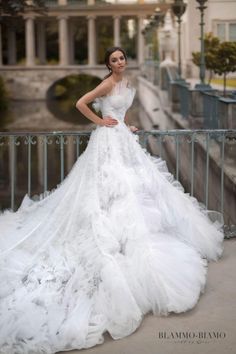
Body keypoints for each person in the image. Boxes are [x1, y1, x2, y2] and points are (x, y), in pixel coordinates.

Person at [0, 47, 224, 354]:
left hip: (123, 139)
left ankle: (129, 233)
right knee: (111, 187)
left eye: (121, 58)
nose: (119, 62)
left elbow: (121, 109)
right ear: (108, 64)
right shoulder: (106, 83)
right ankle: (111, 234)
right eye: (114, 60)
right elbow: (81, 103)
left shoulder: (127, 83)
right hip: (107, 141)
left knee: (136, 187)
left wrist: (125, 123)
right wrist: (102, 121)